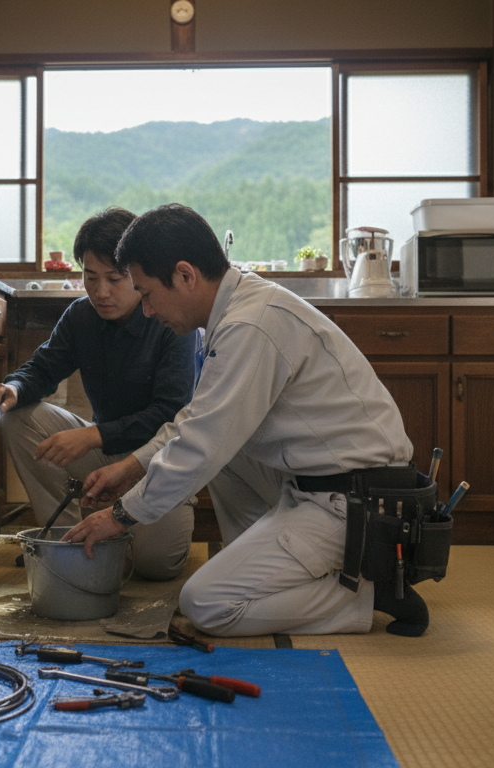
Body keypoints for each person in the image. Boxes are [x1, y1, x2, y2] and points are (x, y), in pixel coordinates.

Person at [62, 203, 431, 637]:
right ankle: (266, 571)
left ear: (185, 275)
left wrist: (120, 515)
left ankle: (368, 594)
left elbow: (202, 443)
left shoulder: (250, 324)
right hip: (322, 483)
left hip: (356, 503)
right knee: (227, 452)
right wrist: (133, 466)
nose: (145, 310)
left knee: (205, 604)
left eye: (145, 294)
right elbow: (201, 421)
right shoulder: (236, 309)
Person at [0, 207, 197, 581]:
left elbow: (170, 413)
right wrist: (13, 387)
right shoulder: (81, 315)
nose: (101, 291)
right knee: (19, 415)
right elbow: (43, 368)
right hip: (106, 451)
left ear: (139, 274)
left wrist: (93, 435)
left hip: (161, 462)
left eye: (115, 278)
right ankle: (64, 539)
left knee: (156, 565)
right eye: (90, 277)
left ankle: (124, 527)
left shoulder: (170, 320)